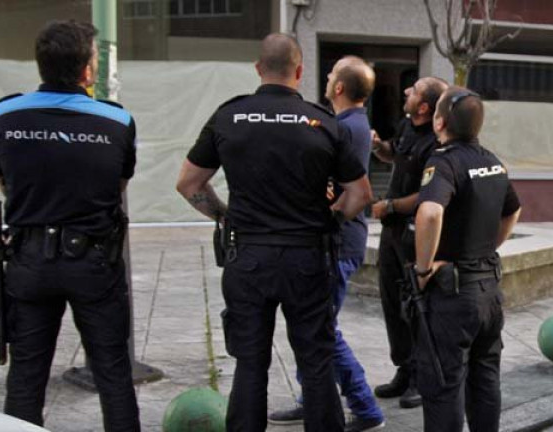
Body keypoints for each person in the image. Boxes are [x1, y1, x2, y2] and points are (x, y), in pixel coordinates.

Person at [175, 34, 372, 432]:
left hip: (248, 259)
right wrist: (331, 218)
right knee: (315, 361)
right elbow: (360, 195)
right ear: (299, 72)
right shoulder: (323, 121)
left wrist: (224, 215)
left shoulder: (229, 116)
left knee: (250, 361)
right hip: (307, 259)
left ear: (257, 69)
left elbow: (189, 184)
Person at [0, 20, 140, 431]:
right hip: (94, 263)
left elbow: (5, 181)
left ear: (41, 65)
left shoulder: (2, 115)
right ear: (87, 70)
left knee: (26, 377)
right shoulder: (117, 122)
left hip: (30, 260)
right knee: (113, 375)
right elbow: (117, 185)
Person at [268, 55, 385, 432]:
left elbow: (345, 190)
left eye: (333, 73)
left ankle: (366, 409)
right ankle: (311, 397)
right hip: (341, 240)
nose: (329, 76)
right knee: (313, 325)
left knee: (322, 329)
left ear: (338, 87)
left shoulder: (346, 128)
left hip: (338, 242)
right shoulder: (352, 124)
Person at [411, 87, 522, 431]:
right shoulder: (493, 162)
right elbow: (513, 209)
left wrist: (423, 268)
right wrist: (488, 248)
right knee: (485, 380)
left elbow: (429, 214)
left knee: (444, 383)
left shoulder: (444, 162)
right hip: (489, 288)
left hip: (454, 295)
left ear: (439, 121)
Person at [370, 76, 448, 409]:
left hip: (415, 233)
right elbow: (393, 154)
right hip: (392, 232)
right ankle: (404, 368)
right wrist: (378, 146)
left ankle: (422, 377)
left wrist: (390, 206)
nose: (405, 91)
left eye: (413, 90)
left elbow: (428, 195)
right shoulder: (406, 125)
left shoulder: (437, 142)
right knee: (391, 301)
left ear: (425, 106)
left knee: (417, 306)